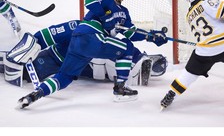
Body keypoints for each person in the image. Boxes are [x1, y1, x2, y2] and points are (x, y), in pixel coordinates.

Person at [16, 0, 168, 108]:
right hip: (91, 35)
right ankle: (120, 89)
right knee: (126, 47)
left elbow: (131, 33)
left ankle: (35, 95)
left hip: (82, 47)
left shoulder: (124, 12)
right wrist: (104, 14)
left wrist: (151, 36)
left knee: (65, 76)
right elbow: (89, 0)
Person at [0, 20, 168, 87]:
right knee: (26, 71)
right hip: (56, 60)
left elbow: (129, 34)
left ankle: (139, 61)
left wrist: (150, 36)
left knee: (109, 61)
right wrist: (26, 49)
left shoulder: (113, 35)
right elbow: (42, 36)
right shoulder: (77, 27)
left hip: (84, 67)